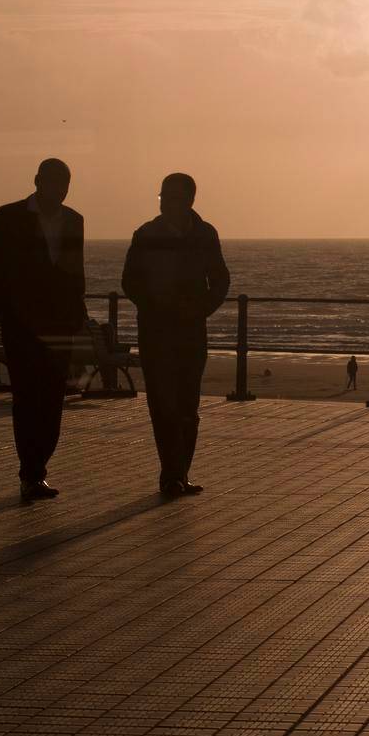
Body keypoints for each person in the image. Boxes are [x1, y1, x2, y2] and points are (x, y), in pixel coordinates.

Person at [0, 158, 86, 502]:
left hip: (60, 324)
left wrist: (78, 315)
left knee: (54, 399)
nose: (60, 190)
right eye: (54, 182)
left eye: (65, 184)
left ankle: (38, 467)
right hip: (22, 324)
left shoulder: (74, 220)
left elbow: (75, 272)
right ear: (38, 181)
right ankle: (31, 472)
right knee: (28, 398)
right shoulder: (8, 217)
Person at [123, 173, 230, 497]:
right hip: (155, 331)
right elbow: (130, 281)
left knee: (187, 406)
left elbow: (221, 280)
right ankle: (172, 474)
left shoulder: (205, 234)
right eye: (164, 197)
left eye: (175, 197)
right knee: (162, 405)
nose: (168, 203)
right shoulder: (145, 234)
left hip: (190, 330)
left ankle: (180, 471)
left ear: (189, 200)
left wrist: (200, 309)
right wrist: (155, 303)